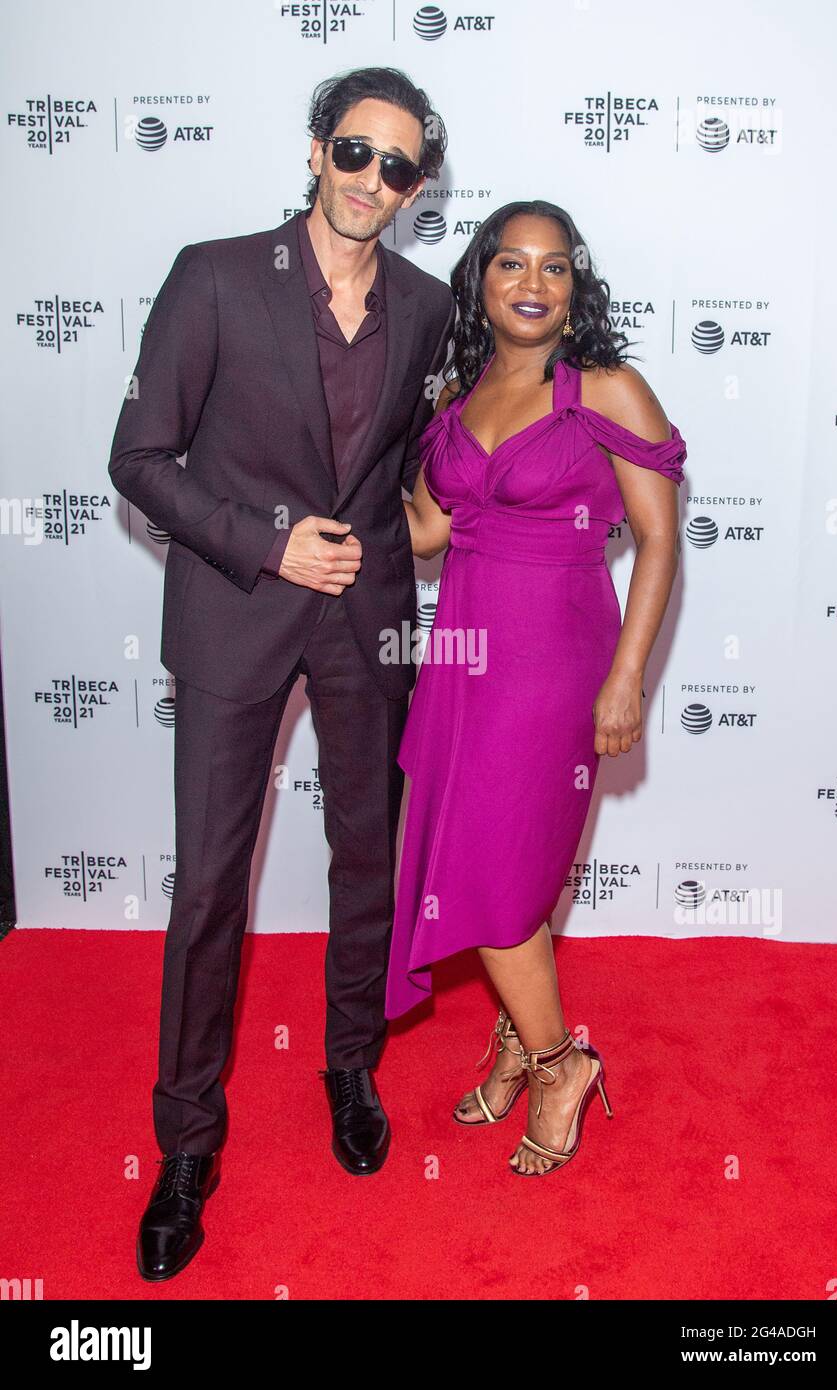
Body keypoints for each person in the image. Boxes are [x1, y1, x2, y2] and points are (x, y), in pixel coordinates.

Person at [108, 66, 455, 1280]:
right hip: (234, 611)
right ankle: (188, 1144)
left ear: (419, 187)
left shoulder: (423, 307)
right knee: (208, 883)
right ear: (317, 151)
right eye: (355, 152)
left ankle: (348, 1064)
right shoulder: (212, 276)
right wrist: (266, 540)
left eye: (399, 166)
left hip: (364, 619)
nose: (373, 180)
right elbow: (139, 457)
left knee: (368, 850)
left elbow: (426, 465)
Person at [386, 200, 687, 1176]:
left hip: (554, 654)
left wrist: (626, 676)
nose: (531, 282)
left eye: (552, 267)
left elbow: (657, 539)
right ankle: (524, 1035)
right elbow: (428, 533)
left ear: (574, 285)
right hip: (464, 652)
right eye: (510, 263)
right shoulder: (456, 392)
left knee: (498, 863)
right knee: (486, 860)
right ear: (479, 279)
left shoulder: (603, 388)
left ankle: (559, 1061)